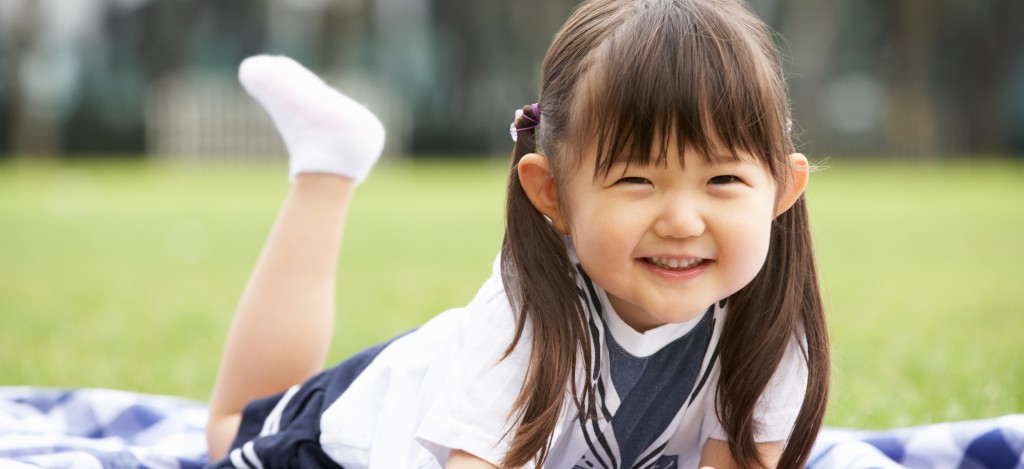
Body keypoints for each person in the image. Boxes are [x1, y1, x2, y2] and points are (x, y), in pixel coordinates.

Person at [205, 0, 830, 467]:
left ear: (781, 189)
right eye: (637, 180)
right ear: (552, 193)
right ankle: (328, 165)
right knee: (226, 432)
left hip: (441, 368)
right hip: (349, 437)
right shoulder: (521, 327)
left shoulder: (772, 323)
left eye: (722, 179)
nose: (682, 221)